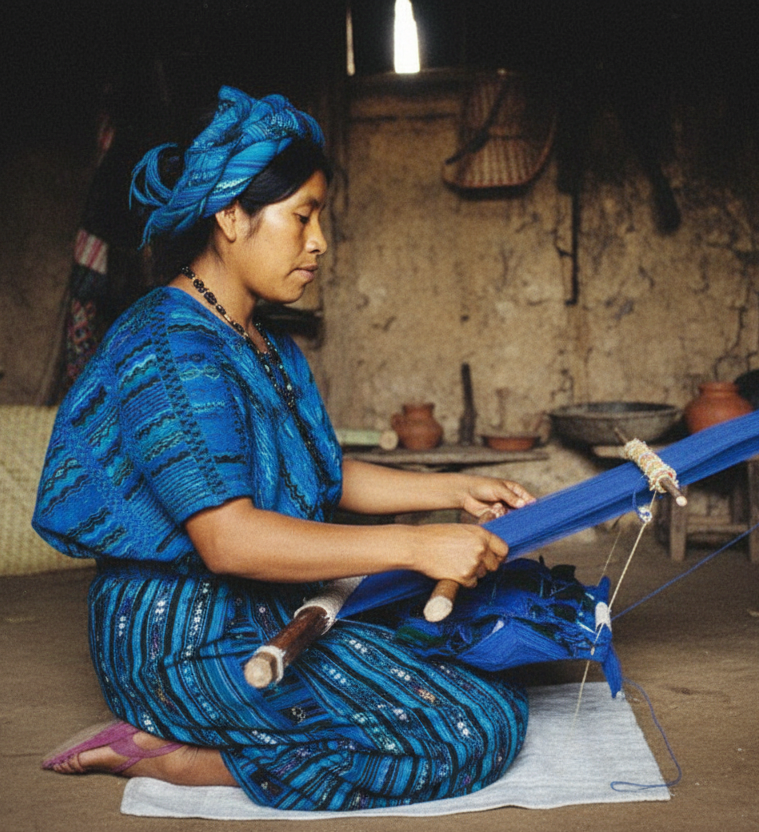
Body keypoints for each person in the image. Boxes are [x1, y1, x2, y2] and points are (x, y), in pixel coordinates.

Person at [32, 86, 537, 810]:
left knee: (480, 673)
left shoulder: (264, 343)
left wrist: (448, 489)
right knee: (472, 729)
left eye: (319, 216)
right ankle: (174, 758)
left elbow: (323, 473)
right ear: (231, 215)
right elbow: (229, 540)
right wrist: (414, 546)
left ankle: (228, 741)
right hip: (177, 632)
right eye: (302, 215)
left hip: (270, 607)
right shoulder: (168, 349)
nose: (319, 241)